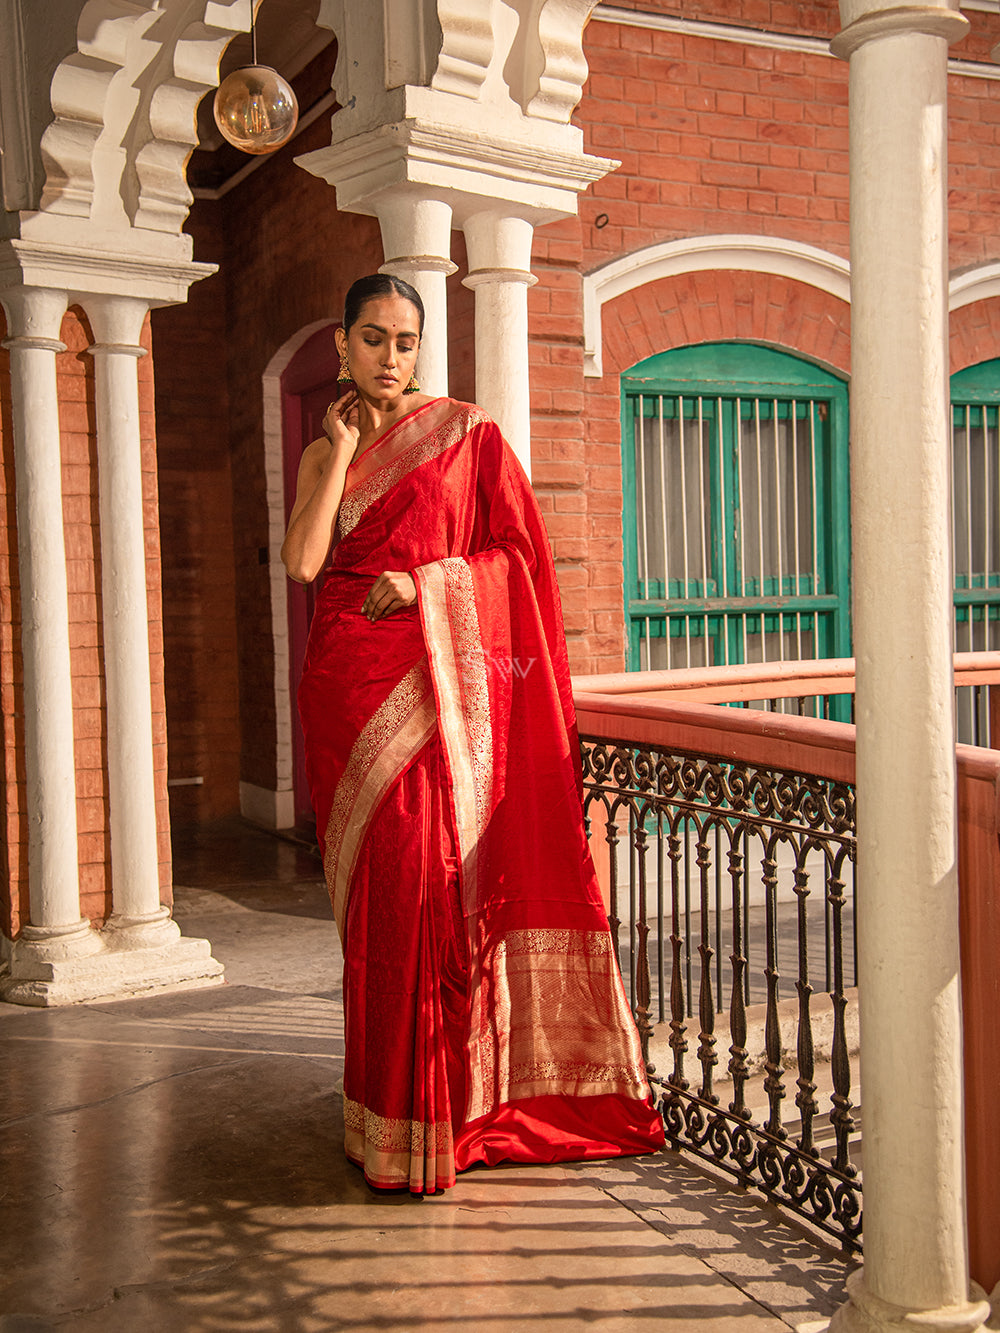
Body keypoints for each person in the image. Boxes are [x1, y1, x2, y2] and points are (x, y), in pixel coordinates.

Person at [282, 272, 664, 1193]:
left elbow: (517, 562)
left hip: (429, 685)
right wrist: (335, 451)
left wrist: (427, 584)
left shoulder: (466, 436)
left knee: (424, 888)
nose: (390, 358)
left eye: (405, 341)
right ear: (342, 342)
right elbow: (303, 563)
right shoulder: (324, 449)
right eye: (372, 339)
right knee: (376, 911)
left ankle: (438, 1113)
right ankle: (380, 1115)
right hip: (346, 688)